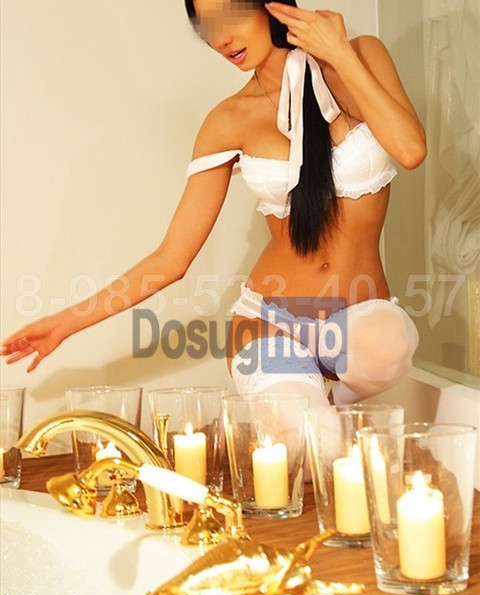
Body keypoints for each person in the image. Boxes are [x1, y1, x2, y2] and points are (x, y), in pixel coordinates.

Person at [1, 1, 426, 411]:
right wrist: (66, 324)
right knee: (307, 441)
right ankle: (317, 423)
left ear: (269, 5)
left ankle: (336, 408)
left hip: (360, 320)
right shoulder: (229, 119)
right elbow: (170, 259)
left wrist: (337, 53)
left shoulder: (362, 55)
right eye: (207, 30)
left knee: (388, 347)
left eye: (229, 18)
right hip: (270, 323)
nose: (220, 40)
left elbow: (410, 150)